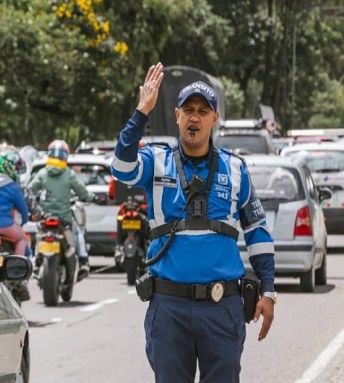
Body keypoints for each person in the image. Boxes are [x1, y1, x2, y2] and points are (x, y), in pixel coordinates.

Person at [111, 63, 276, 382]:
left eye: (203, 110)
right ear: (177, 116)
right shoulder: (155, 162)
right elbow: (120, 166)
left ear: (215, 119)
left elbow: (257, 232)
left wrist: (268, 290)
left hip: (222, 307)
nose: (195, 117)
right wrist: (142, 111)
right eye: (188, 110)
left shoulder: (235, 169)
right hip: (169, 309)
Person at [29, 139, 97, 278]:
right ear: (64, 156)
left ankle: (36, 262)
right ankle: (84, 261)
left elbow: (30, 190)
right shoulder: (69, 174)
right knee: (78, 232)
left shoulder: (42, 173)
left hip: (45, 217)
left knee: (40, 234)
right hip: (64, 219)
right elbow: (82, 192)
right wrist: (91, 197)